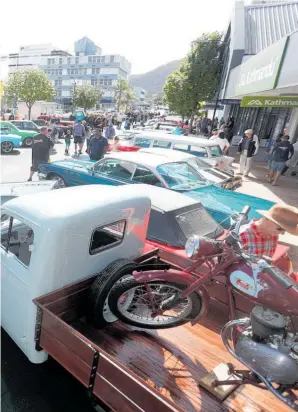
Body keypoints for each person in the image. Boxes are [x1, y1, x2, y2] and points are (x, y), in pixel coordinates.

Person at [239, 203, 298, 281]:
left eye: (285, 230)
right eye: (280, 228)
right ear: (267, 219)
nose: (283, 233)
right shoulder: (242, 236)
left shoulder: (273, 235)